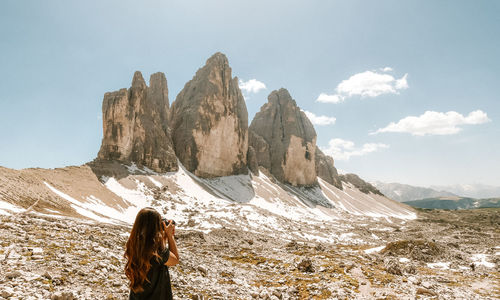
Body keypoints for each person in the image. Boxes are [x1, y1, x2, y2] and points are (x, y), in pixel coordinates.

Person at [124, 207, 179, 300]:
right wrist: (170, 236)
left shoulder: (135, 244)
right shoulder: (156, 251)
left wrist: (163, 236)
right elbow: (175, 260)